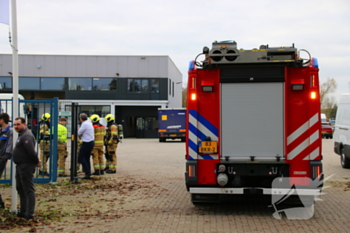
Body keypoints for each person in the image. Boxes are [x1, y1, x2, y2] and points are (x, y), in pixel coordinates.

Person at [13, 117, 41, 220]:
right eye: (15, 124)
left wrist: (36, 161)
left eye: (18, 124)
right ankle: (23, 210)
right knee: (20, 188)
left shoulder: (26, 136)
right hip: (20, 165)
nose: (16, 126)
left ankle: (29, 213)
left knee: (28, 189)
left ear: (24, 124)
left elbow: (31, 152)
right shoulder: (22, 135)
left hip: (26, 166)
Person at [0, 113, 13, 209]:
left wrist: (5, 157)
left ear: (2, 120)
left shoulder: (10, 131)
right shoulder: (1, 131)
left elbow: (9, 146)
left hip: (1, 158)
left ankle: (1, 204)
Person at [77, 113, 94, 179]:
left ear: (81, 119)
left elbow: (78, 133)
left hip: (87, 142)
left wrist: (77, 130)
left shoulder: (84, 124)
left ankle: (86, 171)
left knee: (80, 157)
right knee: (86, 157)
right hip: (90, 142)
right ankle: (88, 173)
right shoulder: (89, 123)